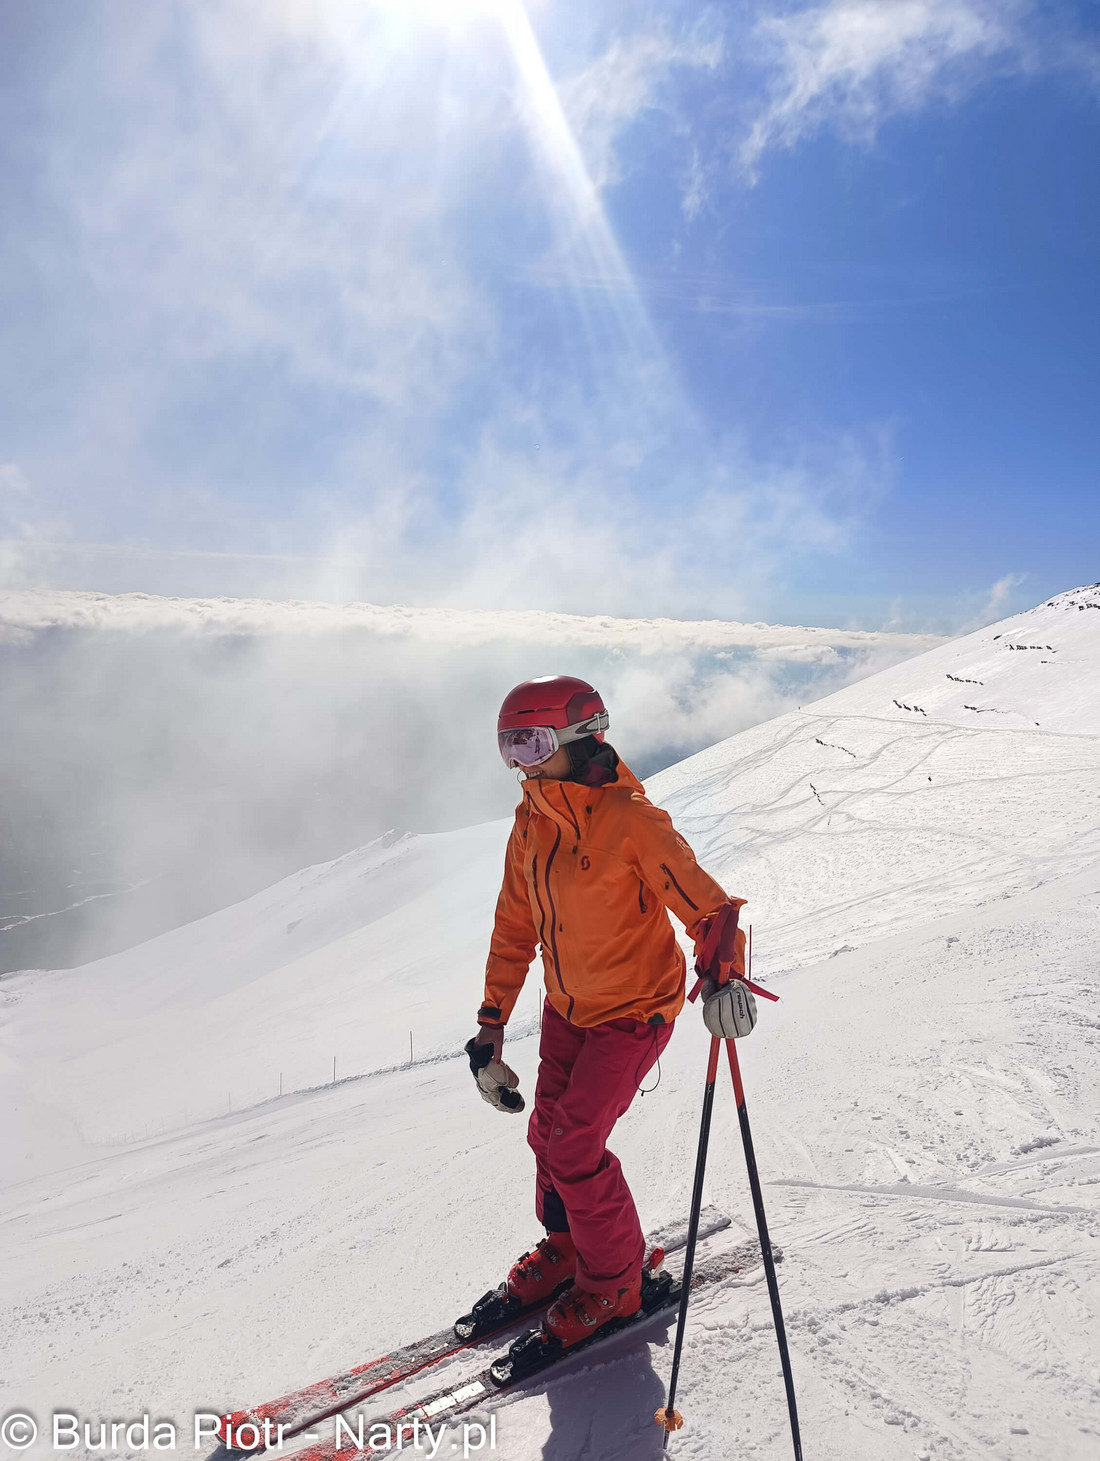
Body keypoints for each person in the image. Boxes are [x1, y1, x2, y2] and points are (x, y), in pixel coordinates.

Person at [465, 675, 748, 1348]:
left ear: (579, 737)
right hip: (568, 1007)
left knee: (576, 1143)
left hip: (632, 1009)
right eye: (509, 746)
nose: (520, 763)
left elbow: (707, 906)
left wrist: (722, 975)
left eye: (531, 743)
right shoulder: (531, 824)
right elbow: (514, 925)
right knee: (546, 1133)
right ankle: (567, 1249)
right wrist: (491, 1023)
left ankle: (616, 1282)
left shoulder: (630, 820)